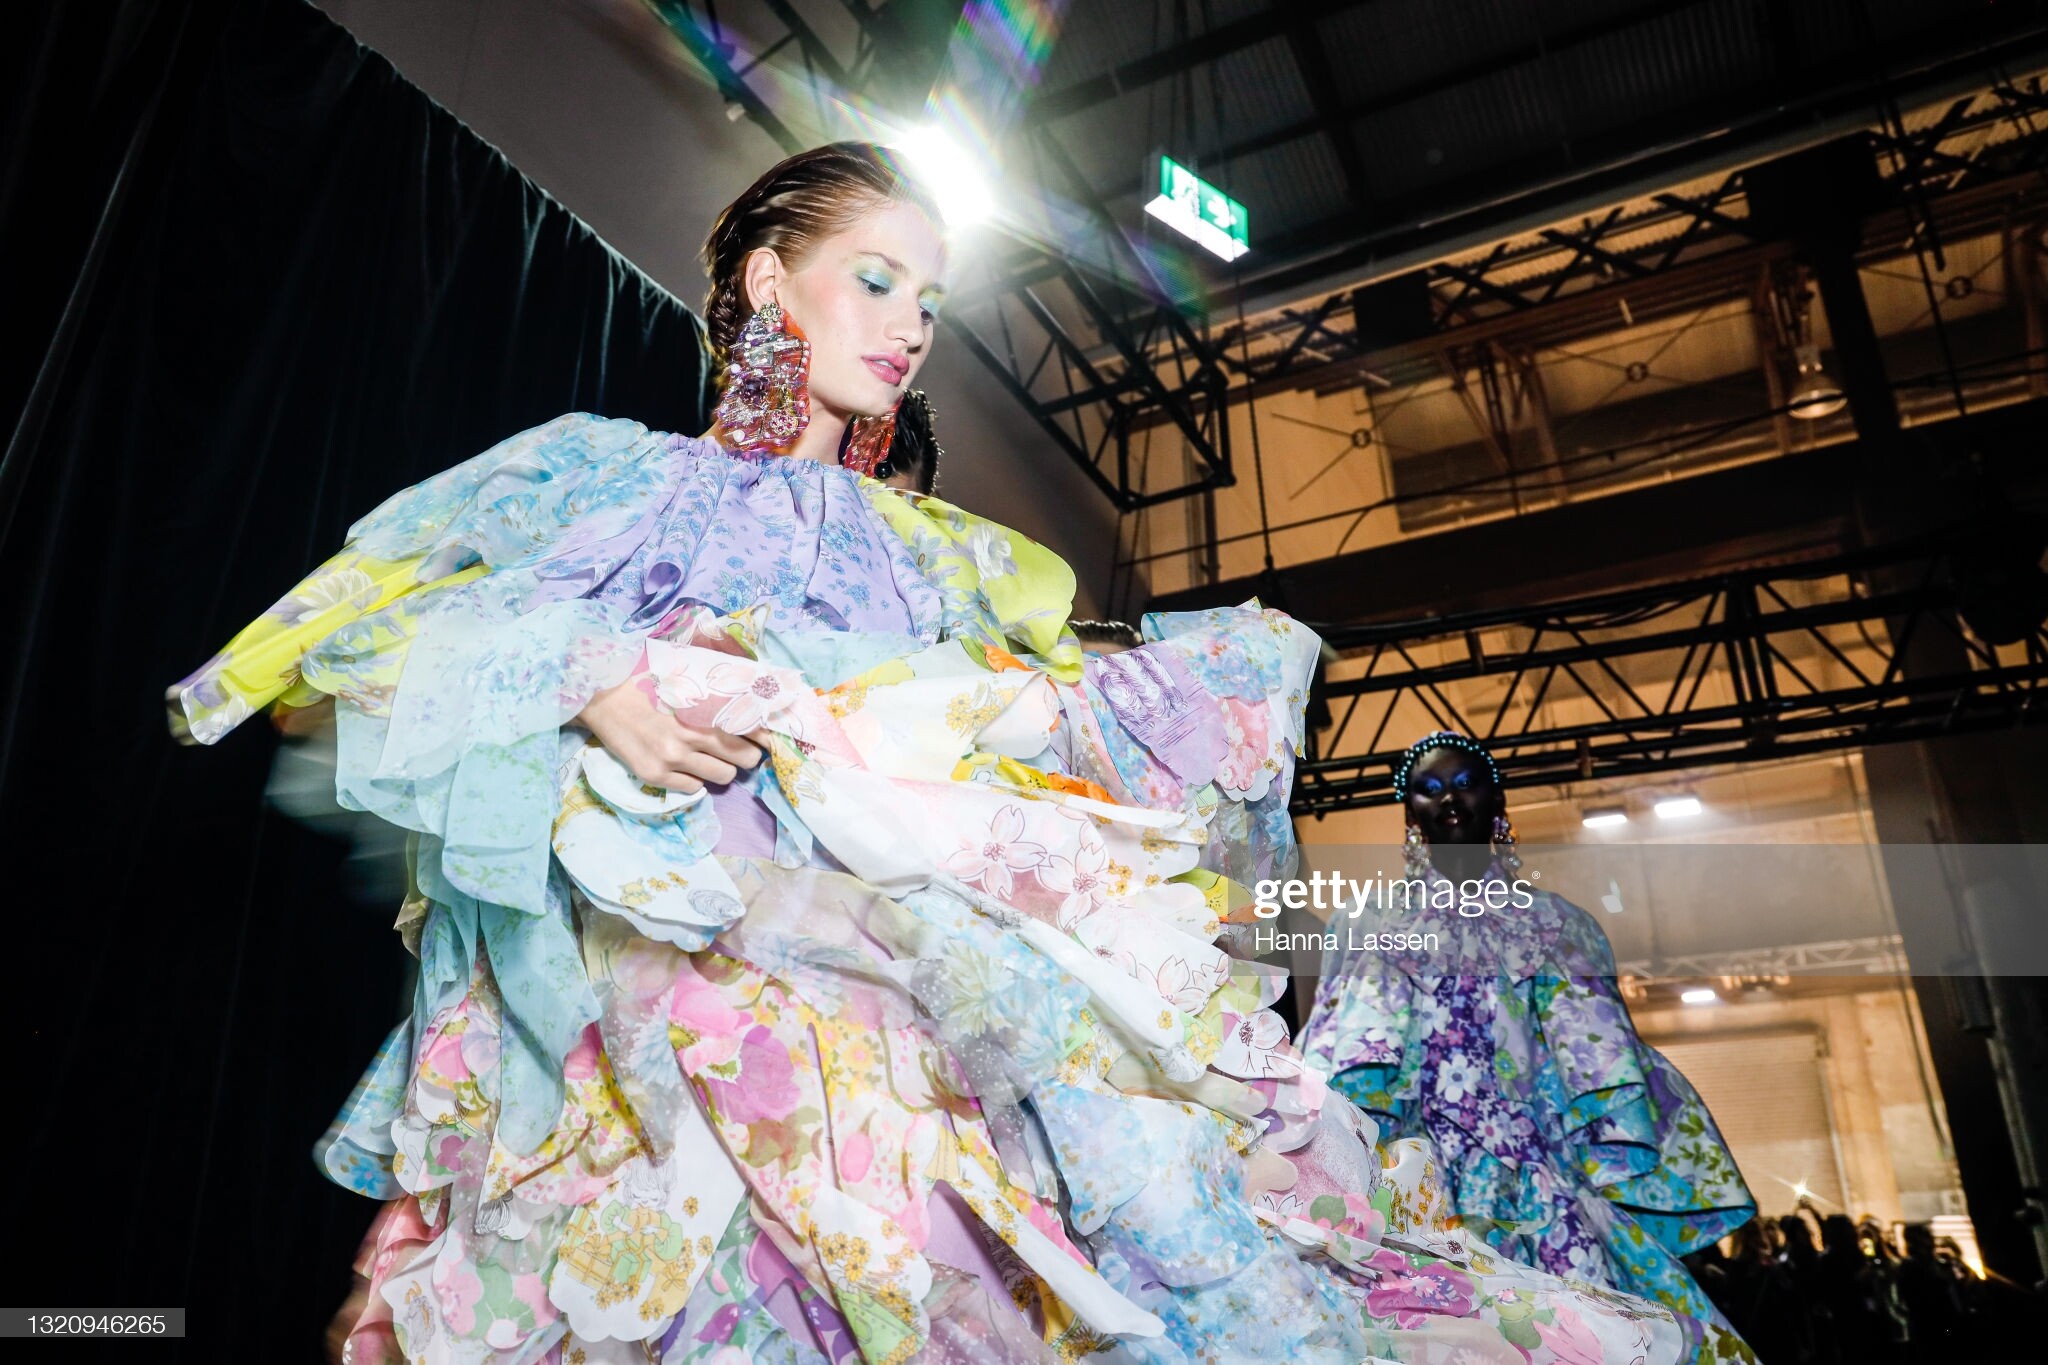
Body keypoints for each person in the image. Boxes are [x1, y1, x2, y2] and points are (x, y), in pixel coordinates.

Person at [170, 144, 1752, 1364]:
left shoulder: (932, 557)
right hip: (672, 1016)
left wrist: (1169, 697)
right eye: (878, 281)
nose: (914, 326)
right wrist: (595, 680)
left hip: (915, 1018)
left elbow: (1026, 739)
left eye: (930, 299)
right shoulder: (615, 485)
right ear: (770, 281)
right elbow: (348, 649)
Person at [1299, 729, 1757, 1329]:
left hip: (1536, 1175)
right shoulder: (1366, 923)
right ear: (1410, 812)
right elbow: (1341, 1061)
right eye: (1429, 788)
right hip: (1417, 1177)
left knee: (1586, 1328)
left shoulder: (1561, 926)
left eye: (1466, 783)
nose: (1449, 799)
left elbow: (1601, 1063)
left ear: (1497, 800)